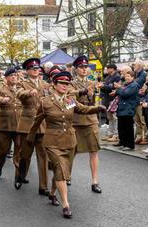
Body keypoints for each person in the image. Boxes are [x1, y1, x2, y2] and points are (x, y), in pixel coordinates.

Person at [28, 71, 105, 218]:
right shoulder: (45, 102)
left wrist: (98, 108)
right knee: (60, 169)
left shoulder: (70, 101)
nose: (64, 86)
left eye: (66, 84)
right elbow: (36, 122)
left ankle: (52, 193)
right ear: (54, 85)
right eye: (61, 83)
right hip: (52, 142)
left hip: (70, 141)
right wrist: (30, 139)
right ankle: (65, 204)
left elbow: (83, 109)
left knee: (62, 171)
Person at [15, 58, 49, 196]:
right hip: (27, 124)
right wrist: (29, 92)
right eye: (33, 69)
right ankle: (19, 175)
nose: (36, 71)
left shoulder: (45, 84)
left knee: (43, 156)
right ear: (28, 71)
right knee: (25, 155)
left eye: (37, 69)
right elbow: (18, 94)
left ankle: (43, 186)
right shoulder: (22, 83)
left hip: (42, 124)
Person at [69, 55, 102, 192]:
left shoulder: (91, 81)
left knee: (94, 150)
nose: (84, 69)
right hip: (76, 120)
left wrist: (92, 92)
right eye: (81, 67)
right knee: (72, 150)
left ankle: (95, 181)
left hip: (91, 119)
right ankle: (67, 175)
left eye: (85, 67)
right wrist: (83, 91)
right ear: (76, 69)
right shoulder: (71, 82)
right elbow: (69, 96)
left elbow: (95, 98)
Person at [0, 67, 22, 178]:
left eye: (15, 75)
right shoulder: (1, 89)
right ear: (6, 78)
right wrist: (2, 100)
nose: (14, 77)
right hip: (5, 125)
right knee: (3, 151)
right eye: (11, 76)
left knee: (19, 151)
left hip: (19, 125)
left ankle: (18, 175)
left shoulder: (21, 89)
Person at [113, 67, 139, 151]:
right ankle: (123, 142)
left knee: (128, 128)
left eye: (129, 76)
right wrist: (119, 89)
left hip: (128, 108)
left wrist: (119, 88)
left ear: (133, 77)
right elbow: (120, 92)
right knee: (121, 127)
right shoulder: (125, 84)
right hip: (122, 108)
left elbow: (125, 94)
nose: (127, 78)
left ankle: (130, 145)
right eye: (126, 76)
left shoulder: (134, 85)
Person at [97, 64, 121, 142]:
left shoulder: (117, 76)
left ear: (113, 69)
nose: (107, 70)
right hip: (107, 99)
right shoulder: (107, 77)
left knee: (114, 117)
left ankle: (116, 134)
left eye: (108, 68)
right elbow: (106, 87)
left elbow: (113, 87)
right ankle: (110, 133)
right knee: (109, 117)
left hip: (113, 99)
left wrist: (103, 86)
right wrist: (102, 87)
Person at [133, 61, 148, 145]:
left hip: (141, 100)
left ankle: (145, 138)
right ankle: (139, 137)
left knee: (143, 121)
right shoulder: (137, 74)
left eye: (134, 65)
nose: (133, 66)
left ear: (139, 66)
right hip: (136, 100)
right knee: (137, 120)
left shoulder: (143, 74)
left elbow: (135, 85)